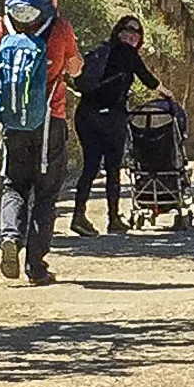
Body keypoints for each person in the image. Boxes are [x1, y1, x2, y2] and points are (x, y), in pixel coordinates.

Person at [0, 3, 82, 285]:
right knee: (46, 192)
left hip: (14, 121)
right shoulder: (60, 28)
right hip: (51, 118)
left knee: (14, 184)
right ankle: (36, 267)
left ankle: (10, 235)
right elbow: (75, 69)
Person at [72, 15, 172, 234]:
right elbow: (147, 78)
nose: (133, 35)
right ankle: (113, 218)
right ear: (119, 32)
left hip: (86, 114)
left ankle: (78, 216)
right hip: (111, 117)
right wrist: (167, 93)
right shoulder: (127, 53)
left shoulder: (101, 50)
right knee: (112, 168)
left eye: (137, 32)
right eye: (129, 30)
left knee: (90, 166)